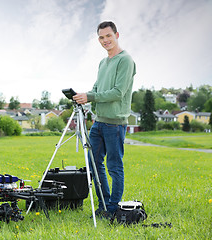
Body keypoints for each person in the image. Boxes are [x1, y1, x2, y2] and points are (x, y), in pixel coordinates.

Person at [73, 21, 136, 218]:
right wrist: (83, 96)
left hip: (115, 123)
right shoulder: (103, 62)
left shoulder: (125, 60)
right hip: (98, 122)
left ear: (117, 35)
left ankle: (114, 207)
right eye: (101, 37)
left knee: (114, 167)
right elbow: (97, 89)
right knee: (93, 164)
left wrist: (90, 97)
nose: (105, 40)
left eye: (108, 36)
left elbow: (118, 92)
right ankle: (103, 205)